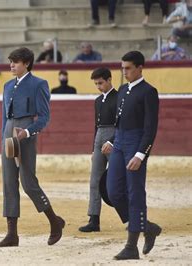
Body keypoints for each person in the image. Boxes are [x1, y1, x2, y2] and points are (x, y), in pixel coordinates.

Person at [0, 47, 64, 248]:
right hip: (9, 134)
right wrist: (4, 136)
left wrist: (27, 132)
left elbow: (44, 117)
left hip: (25, 134)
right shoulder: (7, 86)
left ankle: (54, 222)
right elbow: (6, 116)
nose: (12, 65)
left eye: (15, 62)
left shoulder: (38, 84)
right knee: (8, 182)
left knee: (28, 182)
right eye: (11, 62)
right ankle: (12, 234)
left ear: (26, 63)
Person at [101, 51, 161, 260]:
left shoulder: (149, 92)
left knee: (134, 192)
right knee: (112, 191)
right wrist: (111, 140)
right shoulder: (123, 89)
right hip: (119, 142)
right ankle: (146, 226)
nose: (124, 72)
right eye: (122, 68)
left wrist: (141, 154)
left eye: (128, 68)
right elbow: (119, 121)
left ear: (139, 68)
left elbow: (150, 128)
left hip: (136, 144)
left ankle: (131, 245)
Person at [78, 67, 117, 233]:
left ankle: (131, 217)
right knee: (95, 180)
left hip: (114, 137)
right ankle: (94, 219)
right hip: (99, 137)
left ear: (109, 80)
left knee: (118, 180)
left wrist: (113, 142)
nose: (98, 87)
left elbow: (122, 124)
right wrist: (93, 148)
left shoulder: (119, 98)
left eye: (101, 83)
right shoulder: (97, 101)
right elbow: (96, 126)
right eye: (96, 84)